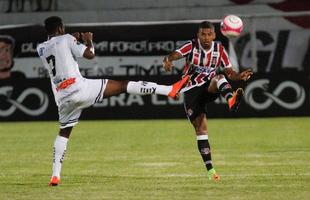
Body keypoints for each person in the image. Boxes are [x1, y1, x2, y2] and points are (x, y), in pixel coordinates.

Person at [37, 16, 189, 186]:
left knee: (64, 132)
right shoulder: (66, 38)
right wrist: (88, 41)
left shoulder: (41, 48)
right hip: (80, 88)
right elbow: (90, 55)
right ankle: (168, 89)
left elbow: (58, 47)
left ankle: (55, 175)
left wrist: (72, 38)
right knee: (123, 85)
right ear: (60, 28)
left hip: (62, 97)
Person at [162, 21, 252, 181]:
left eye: (209, 34)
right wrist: (168, 60)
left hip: (208, 87)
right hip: (191, 90)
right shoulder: (191, 46)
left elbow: (229, 72)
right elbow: (174, 55)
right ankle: (211, 172)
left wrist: (238, 76)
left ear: (215, 35)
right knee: (201, 129)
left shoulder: (220, 50)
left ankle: (231, 100)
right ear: (198, 35)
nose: (206, 37)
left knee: (219, 77)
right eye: (203, 34)